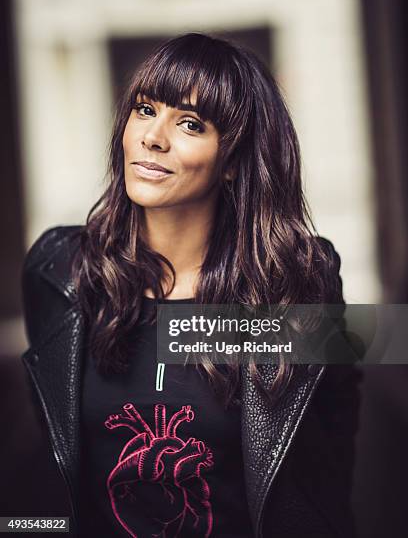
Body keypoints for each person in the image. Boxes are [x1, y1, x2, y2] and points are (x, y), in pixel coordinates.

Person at [21, 32, 361, 538]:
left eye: (189, 123)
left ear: (233, 161)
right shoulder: (62, 273)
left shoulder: (295, 284)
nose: (152, 137)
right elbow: (45, 483)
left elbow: (326, 473)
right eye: (144, 109)